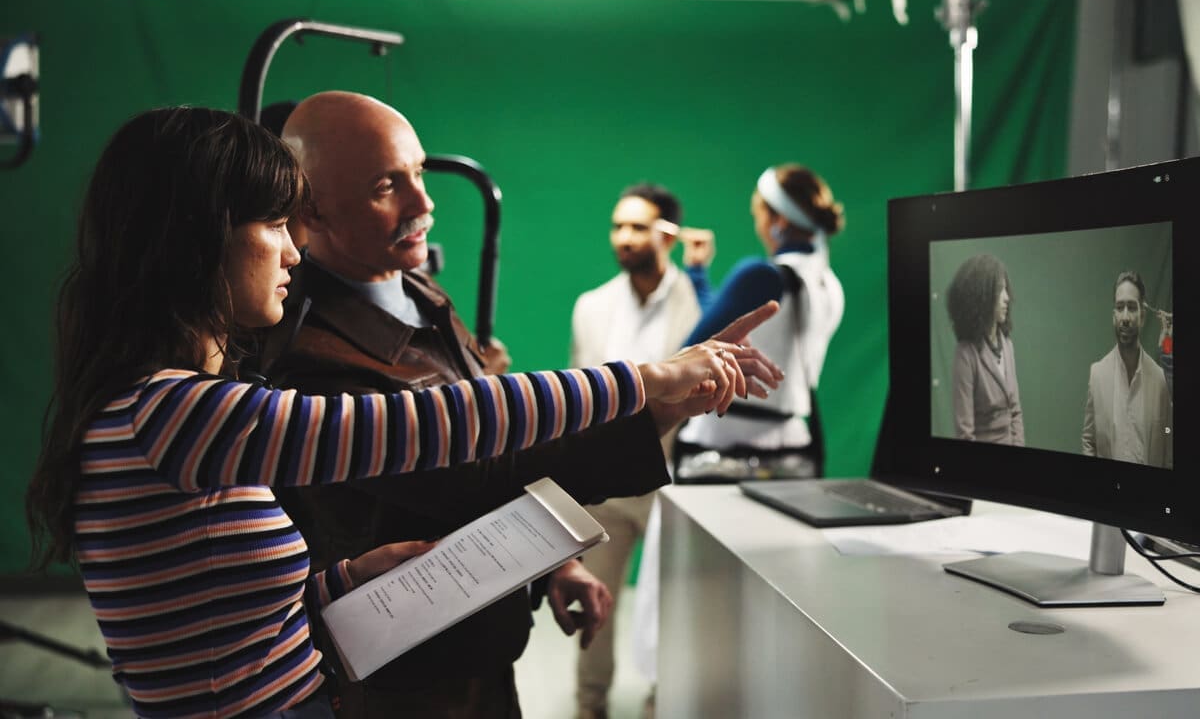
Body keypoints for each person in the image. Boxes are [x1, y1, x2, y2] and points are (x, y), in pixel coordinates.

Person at [23, 106, 777, 719]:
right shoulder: (182, 414)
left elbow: (218, 622)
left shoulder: (175, 412)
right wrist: (646, 380)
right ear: (195, 242)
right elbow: (439, 424)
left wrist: (344, 580)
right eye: (275, 226)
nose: (292, 252)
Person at [264, 93, 772, 719]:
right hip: (401, 682)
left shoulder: (421, 294)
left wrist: (555, 562)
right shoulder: (309, 359)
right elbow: (477, 470)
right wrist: (654, 400)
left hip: (482, 649)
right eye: (384, 186)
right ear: (309, 209)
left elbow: (499, 435)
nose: (424, 203)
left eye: (419, 173)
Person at [569, 183, 700, 719]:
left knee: (675, 604)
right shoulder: (592, 306)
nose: (624, 238)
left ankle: (664, 699)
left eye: (638, 227)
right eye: (618, 226)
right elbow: (579, 393)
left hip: (679, 483)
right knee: (594, 597)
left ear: (666, 234)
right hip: (608, 482)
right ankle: (589, 703)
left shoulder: (700, 303)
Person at [674, 163, 845, 481]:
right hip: (792, 451)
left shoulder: (762, 275)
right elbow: (729, 325)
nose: (759, 227)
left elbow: (691, 352)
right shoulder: (829, 285)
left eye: (760, 216)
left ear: (778, 220)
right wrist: (698, 273)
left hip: (721, 452)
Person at [1081, 270, 1173, 467]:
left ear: (1142, 316)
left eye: (1131, 307)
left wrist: (1168, 346)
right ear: (1113, 315)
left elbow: (1168, 434)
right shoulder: (1097, 374)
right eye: (1119, 307)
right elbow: (1089, 440)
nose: (1125, 317)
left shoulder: (1161, 380)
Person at [944, 253, 1024, 445]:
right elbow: (965, 433)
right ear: (982, 296)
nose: (1007, 298)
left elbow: (1016, 412)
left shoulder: (1007, 346)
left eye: (1006, 289)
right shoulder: (966, 355)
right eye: (999, 290)